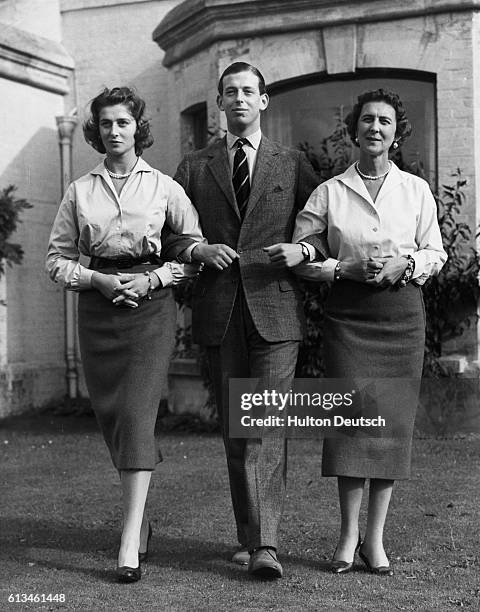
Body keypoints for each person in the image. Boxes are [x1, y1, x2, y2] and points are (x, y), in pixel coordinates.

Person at [167, 62, 321, 578]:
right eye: (229, 92)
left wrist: (302, 248)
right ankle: (251, 536)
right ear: (220, 102)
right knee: (239, 430)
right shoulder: (194, 166)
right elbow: (169, 230)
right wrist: (197, 247)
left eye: (248, 92)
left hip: (276, 309)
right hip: (219, 309)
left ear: (264, 101)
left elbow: (322, 226)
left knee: (265, 423)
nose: (239, 99)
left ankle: (266, 545)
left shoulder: (291, 162)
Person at [46, 87, 206, 583]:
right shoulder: (80, 191)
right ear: (96, 130)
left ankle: (128, 542)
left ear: (138, 127)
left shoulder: (163, 187)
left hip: (149, 308)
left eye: (124, 123)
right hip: (99, 309)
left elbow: (191, 250)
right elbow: (56, 262)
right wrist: (97, 280)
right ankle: (142, 526)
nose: (115, 132)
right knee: (117, 419)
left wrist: (153, 277)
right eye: (107, 124)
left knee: (137, 417)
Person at [289, 89, 447, 575]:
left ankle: (374, 541)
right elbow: (302, 251)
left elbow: (436, 253)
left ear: (396, 134)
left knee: (390, 427)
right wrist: (342, 268)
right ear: (353, 130)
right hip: (349, 319)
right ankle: (347, 536)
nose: (375, 128)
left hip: (400, 318)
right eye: (367, 121)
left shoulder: (416, 191)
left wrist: (407, 261)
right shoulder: (331, 192)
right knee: (353, 424)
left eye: (385, 122)